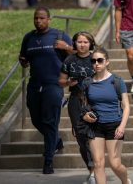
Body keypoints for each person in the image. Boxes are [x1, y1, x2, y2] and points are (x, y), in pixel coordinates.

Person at [19, 6, 74, 174]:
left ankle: (48, 160)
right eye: (36, 18)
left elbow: (76, 55)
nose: (38, 21)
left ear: (49, 19)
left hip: (54, 85)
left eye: (42, 18)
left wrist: (66, 47)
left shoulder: (59, 35)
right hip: (35, 84)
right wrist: (23, 61)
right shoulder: (28, 37)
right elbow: (24, 58)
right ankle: (56, 140)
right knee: (36, 119)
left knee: (50, 122)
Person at [81, 47, 131, 184]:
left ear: (107, 62)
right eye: (93, 61)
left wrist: (122, 126)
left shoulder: (116, 81)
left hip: (114, 125)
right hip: (95, 126)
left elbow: (126, 106)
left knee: (115, 164)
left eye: (100, 60)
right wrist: (85, 115)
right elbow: (84, 106)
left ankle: (126, 181)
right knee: (98, 163)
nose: (96, 63)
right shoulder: (87, 83)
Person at [58, 31, 96, 184]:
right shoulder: (69, 60)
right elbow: (61, 80)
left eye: (85, 42)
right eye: (79, 42)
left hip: (95, 100)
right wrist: (68, 83)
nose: (82, 44)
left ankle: (95, 171)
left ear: (90, 44)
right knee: (81, 137)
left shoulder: (96, 58)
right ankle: (91, 169)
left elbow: (106, 76)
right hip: (75, 100)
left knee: (93, 136)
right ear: (74, 43)